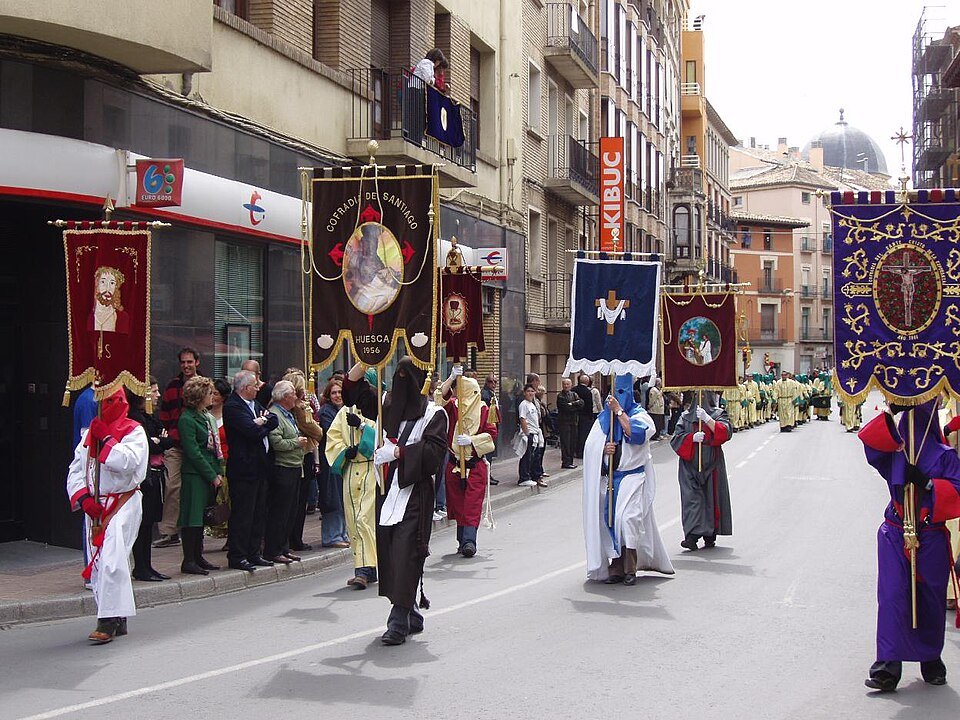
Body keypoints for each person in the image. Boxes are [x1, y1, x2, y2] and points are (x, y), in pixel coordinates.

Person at [859, 400, 960, 691]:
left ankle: (930, 657)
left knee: (930, 597)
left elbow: (957, 490)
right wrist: (891, 413)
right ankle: (888, 664)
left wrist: (928, 484)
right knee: (892, 597)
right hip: (895, 532)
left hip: (930, 535)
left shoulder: (945, 455)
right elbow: (871, 440)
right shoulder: (896, 449)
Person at [374, 357, 448, 645]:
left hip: (415, 492)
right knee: (392, 553)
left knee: (407, 553)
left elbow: (433, 453)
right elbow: (357, 391)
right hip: (388, 491)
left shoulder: (434, 414)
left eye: (408, 378)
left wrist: (399, 454)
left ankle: (398, 621)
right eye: (398, 377)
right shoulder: (391, 408)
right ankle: (411, 612)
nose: (402, 384)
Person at [65, 387, 148, 643]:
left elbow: (130, 463)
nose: (108, 404)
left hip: (122, 502)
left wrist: (108, 441)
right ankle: (116, 614)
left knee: (112, 558)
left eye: (114, 400)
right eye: (105, 400)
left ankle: (108, 620)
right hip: (96, 506)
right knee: (100, 562)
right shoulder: (90, 432)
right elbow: (77, 467)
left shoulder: (134, 431)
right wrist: (83, 498)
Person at [583, 375, 674, 584]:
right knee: (610, 523)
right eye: (616, 395)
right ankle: (615, 568)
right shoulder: (603, 420)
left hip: (633, 478)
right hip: (611, 480)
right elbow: (591, 448)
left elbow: (637, 434)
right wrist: (604, 451)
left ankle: (630, 568)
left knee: (628, 521)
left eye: (622, 394)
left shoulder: (641, 416)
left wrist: (619, 411)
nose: (618, 398)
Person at [436, 365, 498, 557]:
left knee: (471, 504)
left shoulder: (486, 409)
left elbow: (492, 434)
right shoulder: (454, 407)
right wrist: (451, 378)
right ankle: (461, 541)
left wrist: (473, 441)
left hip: (474, 464)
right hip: (455, 464)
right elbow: (439, 400)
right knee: (457, 504)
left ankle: (469, 541)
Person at [223, 369, 279, 572]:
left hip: (261, 467)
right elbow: (250, 431)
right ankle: (238, 555)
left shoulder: (255, 405)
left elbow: (274, 420)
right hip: (244, 469)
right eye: (255, 385)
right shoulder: (232, 406)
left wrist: (263, 421)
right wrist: (262, 423)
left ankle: (254, 552)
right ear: (246, 388)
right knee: (243, 514)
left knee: (258, 513)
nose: (258, 388)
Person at [331, 363, 381, 588]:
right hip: (351, 470)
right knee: (353, 521)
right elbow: (333, 439)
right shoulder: (344, 412)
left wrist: (362, 427)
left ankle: (366, 567)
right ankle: (365, 567)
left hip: (371, 468)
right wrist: (345, 452)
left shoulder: (378, 409)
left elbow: (382, 438)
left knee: (365, 519)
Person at [671, 391, 733, 551]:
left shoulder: (719, 414)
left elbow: (725, 433)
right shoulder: (685, 416)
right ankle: (691, 536)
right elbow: (676, 438)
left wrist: (708, 419)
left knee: (711, 499)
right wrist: (690, 438)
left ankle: (709, 534)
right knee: (692, 500)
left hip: (712, 463)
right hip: (689, 464)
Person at [155, 347, 201, 548]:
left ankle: (199, 528)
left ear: (196, 363)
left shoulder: (204, 384)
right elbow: (164, 414)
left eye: (190, 362)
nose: (186, 365)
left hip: (198, 444)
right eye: (183, 362)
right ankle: (169, 531)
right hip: (175, 444)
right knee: (173, 485)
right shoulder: (172, 386)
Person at [176, 376, 223, 575]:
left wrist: (218, 471)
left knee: (202, 516)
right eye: (209, 393)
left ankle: (198, 555)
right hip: (195, 474)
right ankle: (189, 559)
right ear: (199, 396)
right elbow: (193, 451)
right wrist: (211, 474)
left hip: (209, 471)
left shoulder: (205, 416)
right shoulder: (187, 419)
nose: (212, 396)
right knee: (192, 517)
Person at [128, 381, 173, 582]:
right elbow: (150, 446)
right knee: (143, 523)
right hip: (144, 476)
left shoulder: (149, 417)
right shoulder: (135, 418)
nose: (157, 395)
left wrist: (159, 441)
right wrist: (157, 441)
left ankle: (147, 565)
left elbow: (167, 439)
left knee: (149, 523)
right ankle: (141, 566)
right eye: (154, 391)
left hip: (155, 474)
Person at [264, 380, 309, 564]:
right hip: (283, 467)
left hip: (294, 466)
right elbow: (277, 442)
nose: (295, 397)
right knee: (280, 511)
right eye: (292, 394)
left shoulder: (288, 414)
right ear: (284, 397)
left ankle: (284, 546)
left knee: (291, 510)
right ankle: (273, 549)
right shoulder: (275, 415)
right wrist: (296, 443)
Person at [283, 370, 324, 553]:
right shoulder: (299, 408)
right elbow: (316, 432)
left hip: (303, 454)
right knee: (297, 502)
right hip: (301, 454)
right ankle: (294, 539)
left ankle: (293, 538)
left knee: (296, 501)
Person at [318, 378, 350, 548]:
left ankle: (342, 533)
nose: (337, 396)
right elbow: (337, 433)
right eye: (334, 393)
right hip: (331, 461)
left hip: (344, 460)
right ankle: (332, 536)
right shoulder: (326, 412)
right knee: (333, 498)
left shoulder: (346, 409)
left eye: (340, 392)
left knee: (342, 497)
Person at [206, 378, 233, 542]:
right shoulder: (206, 415)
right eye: (211, 393)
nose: (212, 396)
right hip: (211, 462)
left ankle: (229, 534)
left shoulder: (228, 414)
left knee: (227, 498)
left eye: (215, 393)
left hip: (226, 461)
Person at [517, 384, 545, 487]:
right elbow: (522, 419)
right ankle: (523, 478)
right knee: (526, 456)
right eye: (528, 391)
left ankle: (531, 476)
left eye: (532, 391)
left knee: (533, 456)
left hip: (535, 433)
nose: (530, 393)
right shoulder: (523, 404)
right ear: (524, 393)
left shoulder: (531, 404)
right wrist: (527, 434)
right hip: (529, 434)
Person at [556, 377, 582, 469]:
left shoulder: (574, 394)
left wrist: (573, 404)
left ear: (571, 385)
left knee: (572, 442)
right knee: (566, 443)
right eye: (564, 384)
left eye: (568, 384)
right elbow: (566, 408)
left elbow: (581, 404)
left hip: (573, 422)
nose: (566, 386)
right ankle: (566, 462)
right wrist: (575, 405)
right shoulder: (560, 396)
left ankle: (570, 461)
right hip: (564, 422)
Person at [573, 374, 595, 459]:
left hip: (575, 415)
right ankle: (581, 452)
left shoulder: (573, 389)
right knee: (583, 435)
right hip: (585, 416)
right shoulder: (587, 392)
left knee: (576, 434)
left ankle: (575, 450)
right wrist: (591, 416)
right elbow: (589, 405)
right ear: (588, 382)